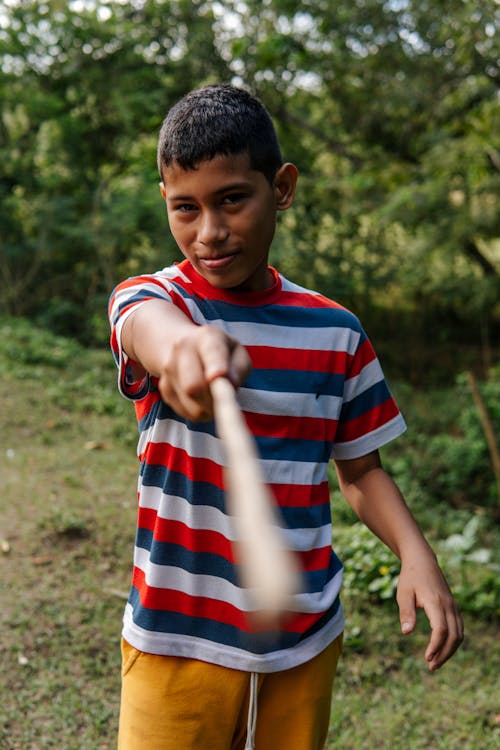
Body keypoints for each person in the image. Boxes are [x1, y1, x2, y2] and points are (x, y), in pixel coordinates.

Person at [108, 84, 463, 750]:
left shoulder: (337, 333)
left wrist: (417, 553)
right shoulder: (153, 299)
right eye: (186, 208)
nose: (208, 231)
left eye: (232, 200)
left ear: (284, 187)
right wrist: (189, 351)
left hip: (303, 640)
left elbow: (360, 472)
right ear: (165, 202)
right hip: (175, 638)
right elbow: (153, 335)